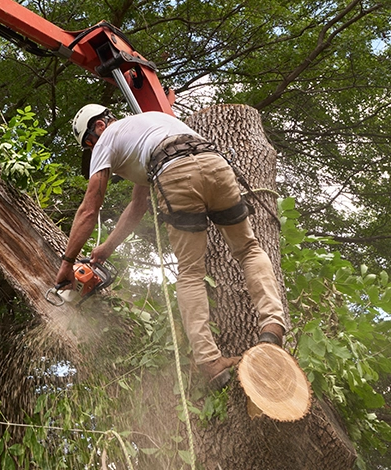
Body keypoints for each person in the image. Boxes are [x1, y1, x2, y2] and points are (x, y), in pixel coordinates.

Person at [55, 105, 286, 389]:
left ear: (99, 126)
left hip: (174, 172)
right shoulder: (151, 125)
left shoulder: (107, 138)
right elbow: (138, 206)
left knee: (190, 271)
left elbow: (90, 209)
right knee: (249, 249)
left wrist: (67, 263)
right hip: (215, 163)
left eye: (89, 143)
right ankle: (273, 326)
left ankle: (210, 363)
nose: (93, 149)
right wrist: (106, 249)